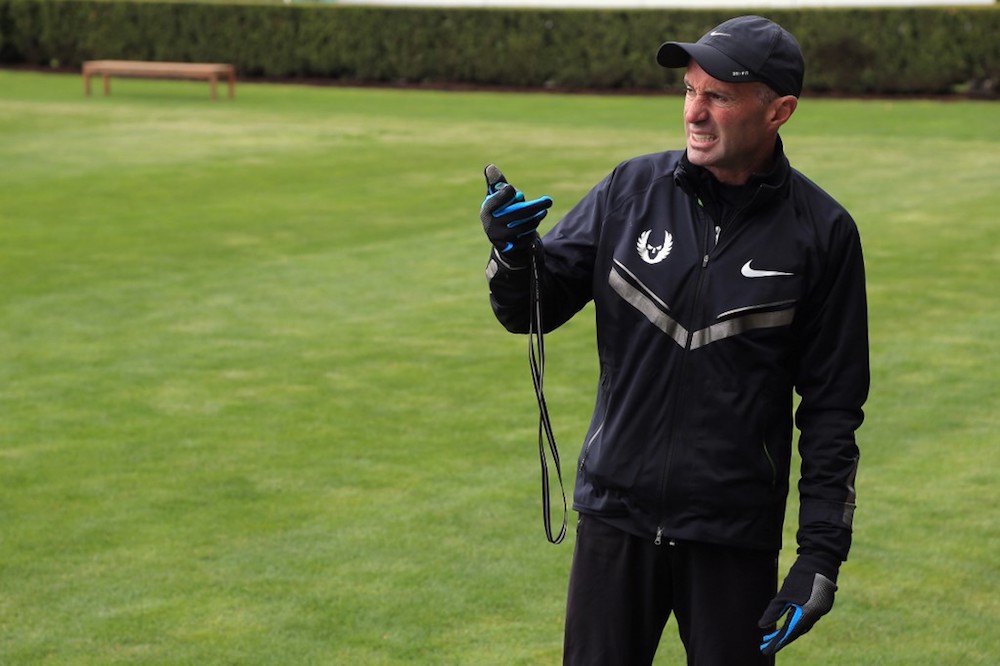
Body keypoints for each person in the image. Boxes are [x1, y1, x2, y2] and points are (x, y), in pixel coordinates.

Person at [478, 15, 870, 666]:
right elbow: (530, 310)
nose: (694, 112)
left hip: (733, 539)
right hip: (614, 519)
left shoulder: (823, 235)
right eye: (689, 90)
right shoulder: (630, 191)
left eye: (718, 96)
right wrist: (513, 255)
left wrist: (820, 558)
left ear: (780, 111)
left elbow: (834, 412)